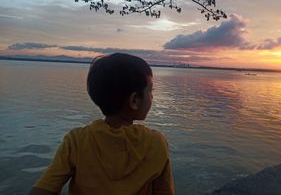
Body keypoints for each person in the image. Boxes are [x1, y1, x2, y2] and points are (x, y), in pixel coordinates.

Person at [29, 53, 175, 195]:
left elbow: (44, 189)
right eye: (150, 90)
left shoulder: (77, 141)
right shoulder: (155, 143)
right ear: (134, 100)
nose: (152, 96)